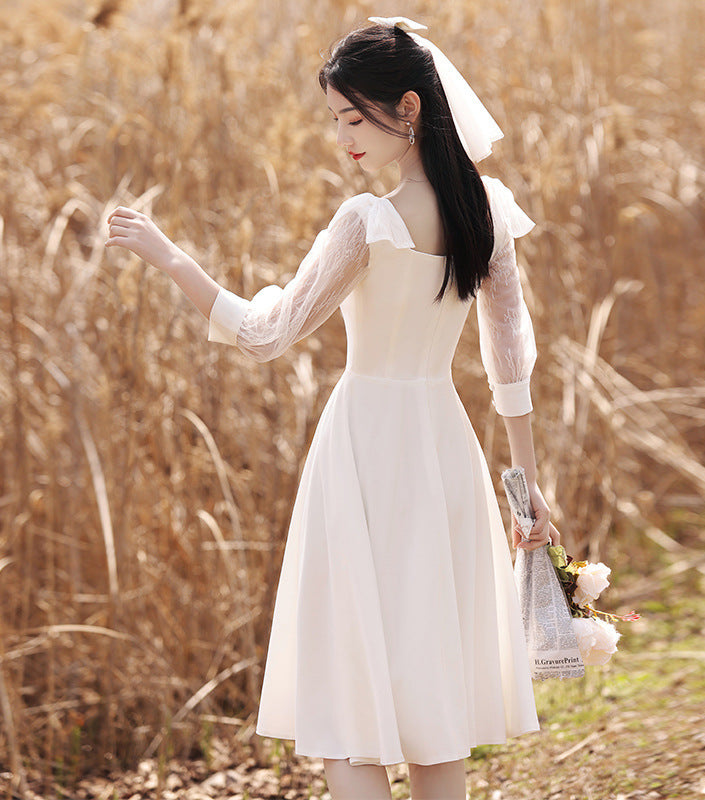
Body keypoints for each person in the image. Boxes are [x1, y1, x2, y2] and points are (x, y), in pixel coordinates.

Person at [106, 16, 559, 800]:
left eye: (354, 117)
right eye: (335, 119)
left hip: (364, 452)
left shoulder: (368, 222)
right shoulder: (485, 209)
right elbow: (507, 358)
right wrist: (525, 489)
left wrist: (167, 255)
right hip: (444, 449)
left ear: (408, 109)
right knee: (433, 702)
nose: (343, 137)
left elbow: (265, 333)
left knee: (349, 703)